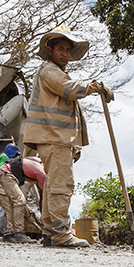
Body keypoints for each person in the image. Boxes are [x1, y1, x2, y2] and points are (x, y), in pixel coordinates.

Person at [23, 26, 113, 248]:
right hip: (54, 138)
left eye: (67, 50)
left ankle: (50, 232)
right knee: (62, 185)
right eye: (60, 49)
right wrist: (96, 86)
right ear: (50, 50)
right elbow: (69, 89)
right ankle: (62, 234)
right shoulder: (50, 71)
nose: (64, 54)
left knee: (53, 185)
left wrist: (76, 145)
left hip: (55, 139)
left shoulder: (54, 72)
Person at [0, 144, 47, 244]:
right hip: (4, 178)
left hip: (5, 177)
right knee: (20, 202)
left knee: (12, 206)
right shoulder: (41, 172)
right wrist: (45, 219)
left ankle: (9, 234)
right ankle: (18, 233)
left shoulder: (37, 162)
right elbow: (43, 198)